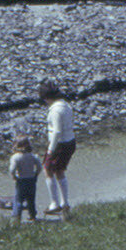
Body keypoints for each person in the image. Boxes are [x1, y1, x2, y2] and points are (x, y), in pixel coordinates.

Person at [39, 81, 76, 217]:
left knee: (47, 169)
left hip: (60, 144)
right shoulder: (66, 105)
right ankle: (65, 203)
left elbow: (57, 132)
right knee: (60, 171)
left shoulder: (55, 110)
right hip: (70, 141)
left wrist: (50, 150)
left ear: (47, 97)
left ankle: (55, 203)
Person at [9, 134, 41, 224]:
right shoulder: (33, 156)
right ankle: (32, 216)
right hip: (31, 179)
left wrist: (14, 176)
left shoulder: (16, 157)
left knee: (18, 200)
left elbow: (12, 169)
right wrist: (36, 174)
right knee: (31, 199)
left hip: (21, 180)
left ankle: (16, 217)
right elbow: (39, 167)